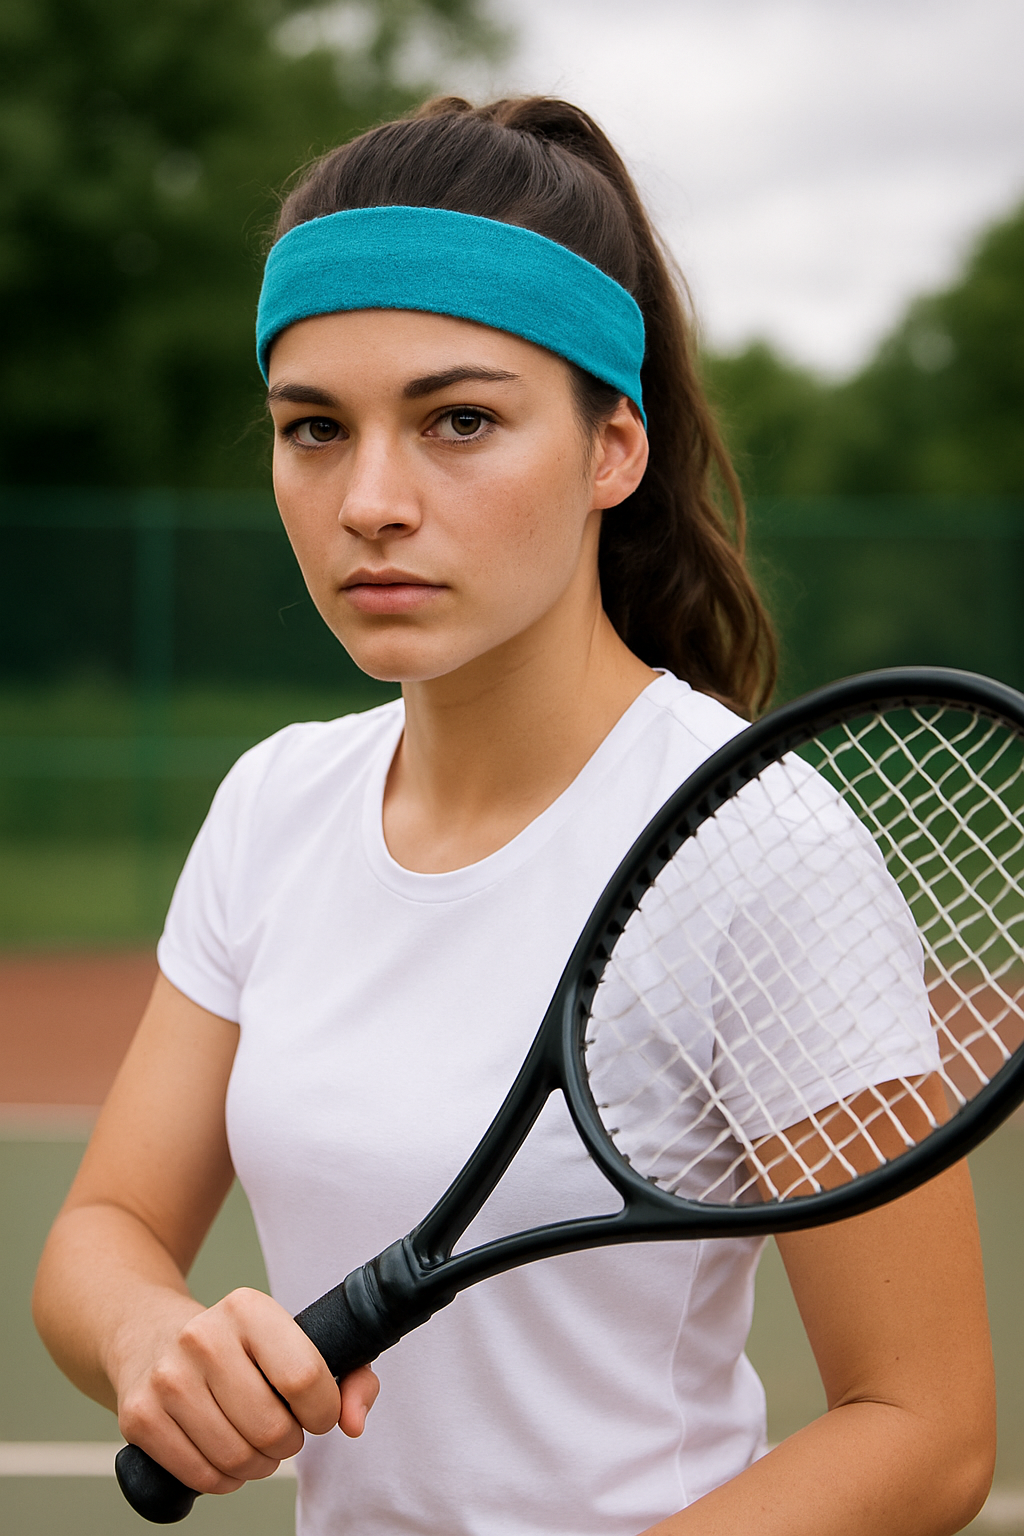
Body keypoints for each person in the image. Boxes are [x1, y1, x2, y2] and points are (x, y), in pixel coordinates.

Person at [34, 96, 994, 1535]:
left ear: (615, 450)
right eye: (314, 428)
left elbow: (925, 1429)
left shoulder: (761, 848)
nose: (370, 501)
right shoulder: (274, 804)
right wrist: (147, 1339)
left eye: (460, 421)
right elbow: (102, 1234)